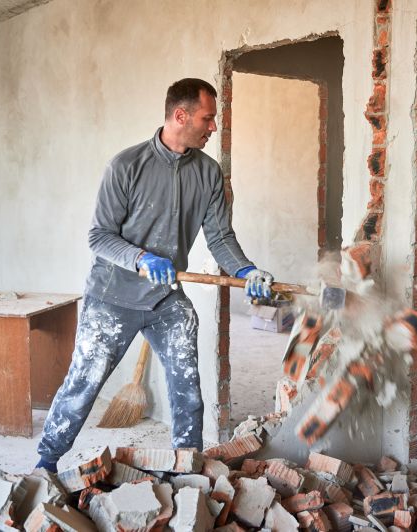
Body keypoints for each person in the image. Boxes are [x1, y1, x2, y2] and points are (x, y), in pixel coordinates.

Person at [35, 78, 273, 473]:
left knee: (187, 386)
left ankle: (187, 464)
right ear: (180, 116)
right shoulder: (126, 165)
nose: (214, 127)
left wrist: (246, 270)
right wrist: (141, 258)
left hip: (165, 299)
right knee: (84, 382)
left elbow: (220, 237)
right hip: (113, 295)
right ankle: (46, 461)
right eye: (207, 118)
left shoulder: (209, 173)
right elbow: (98, 235)